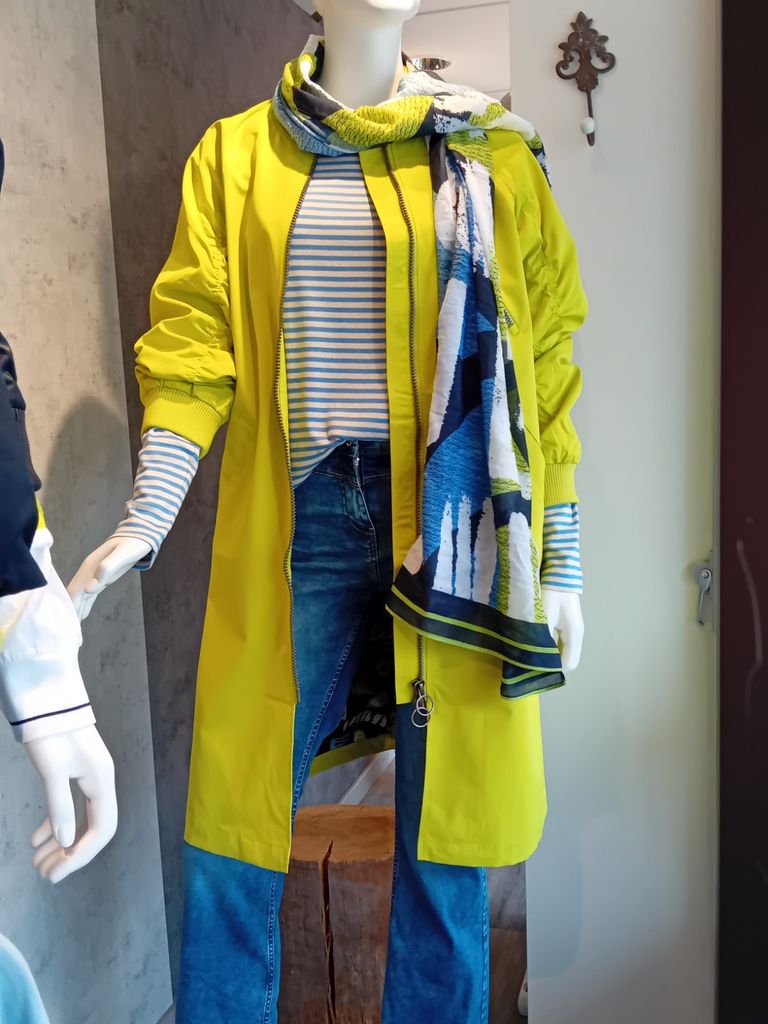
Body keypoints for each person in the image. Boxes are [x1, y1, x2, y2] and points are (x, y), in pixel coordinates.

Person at [69, 5, 587, 1020]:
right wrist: (148, 511)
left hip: (454, 532)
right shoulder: (235, 156)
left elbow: (547, 358)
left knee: (447, 839)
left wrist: (560, 555)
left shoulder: (492, 151)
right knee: (232, 823)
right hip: (302, 520)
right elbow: (195, 341)